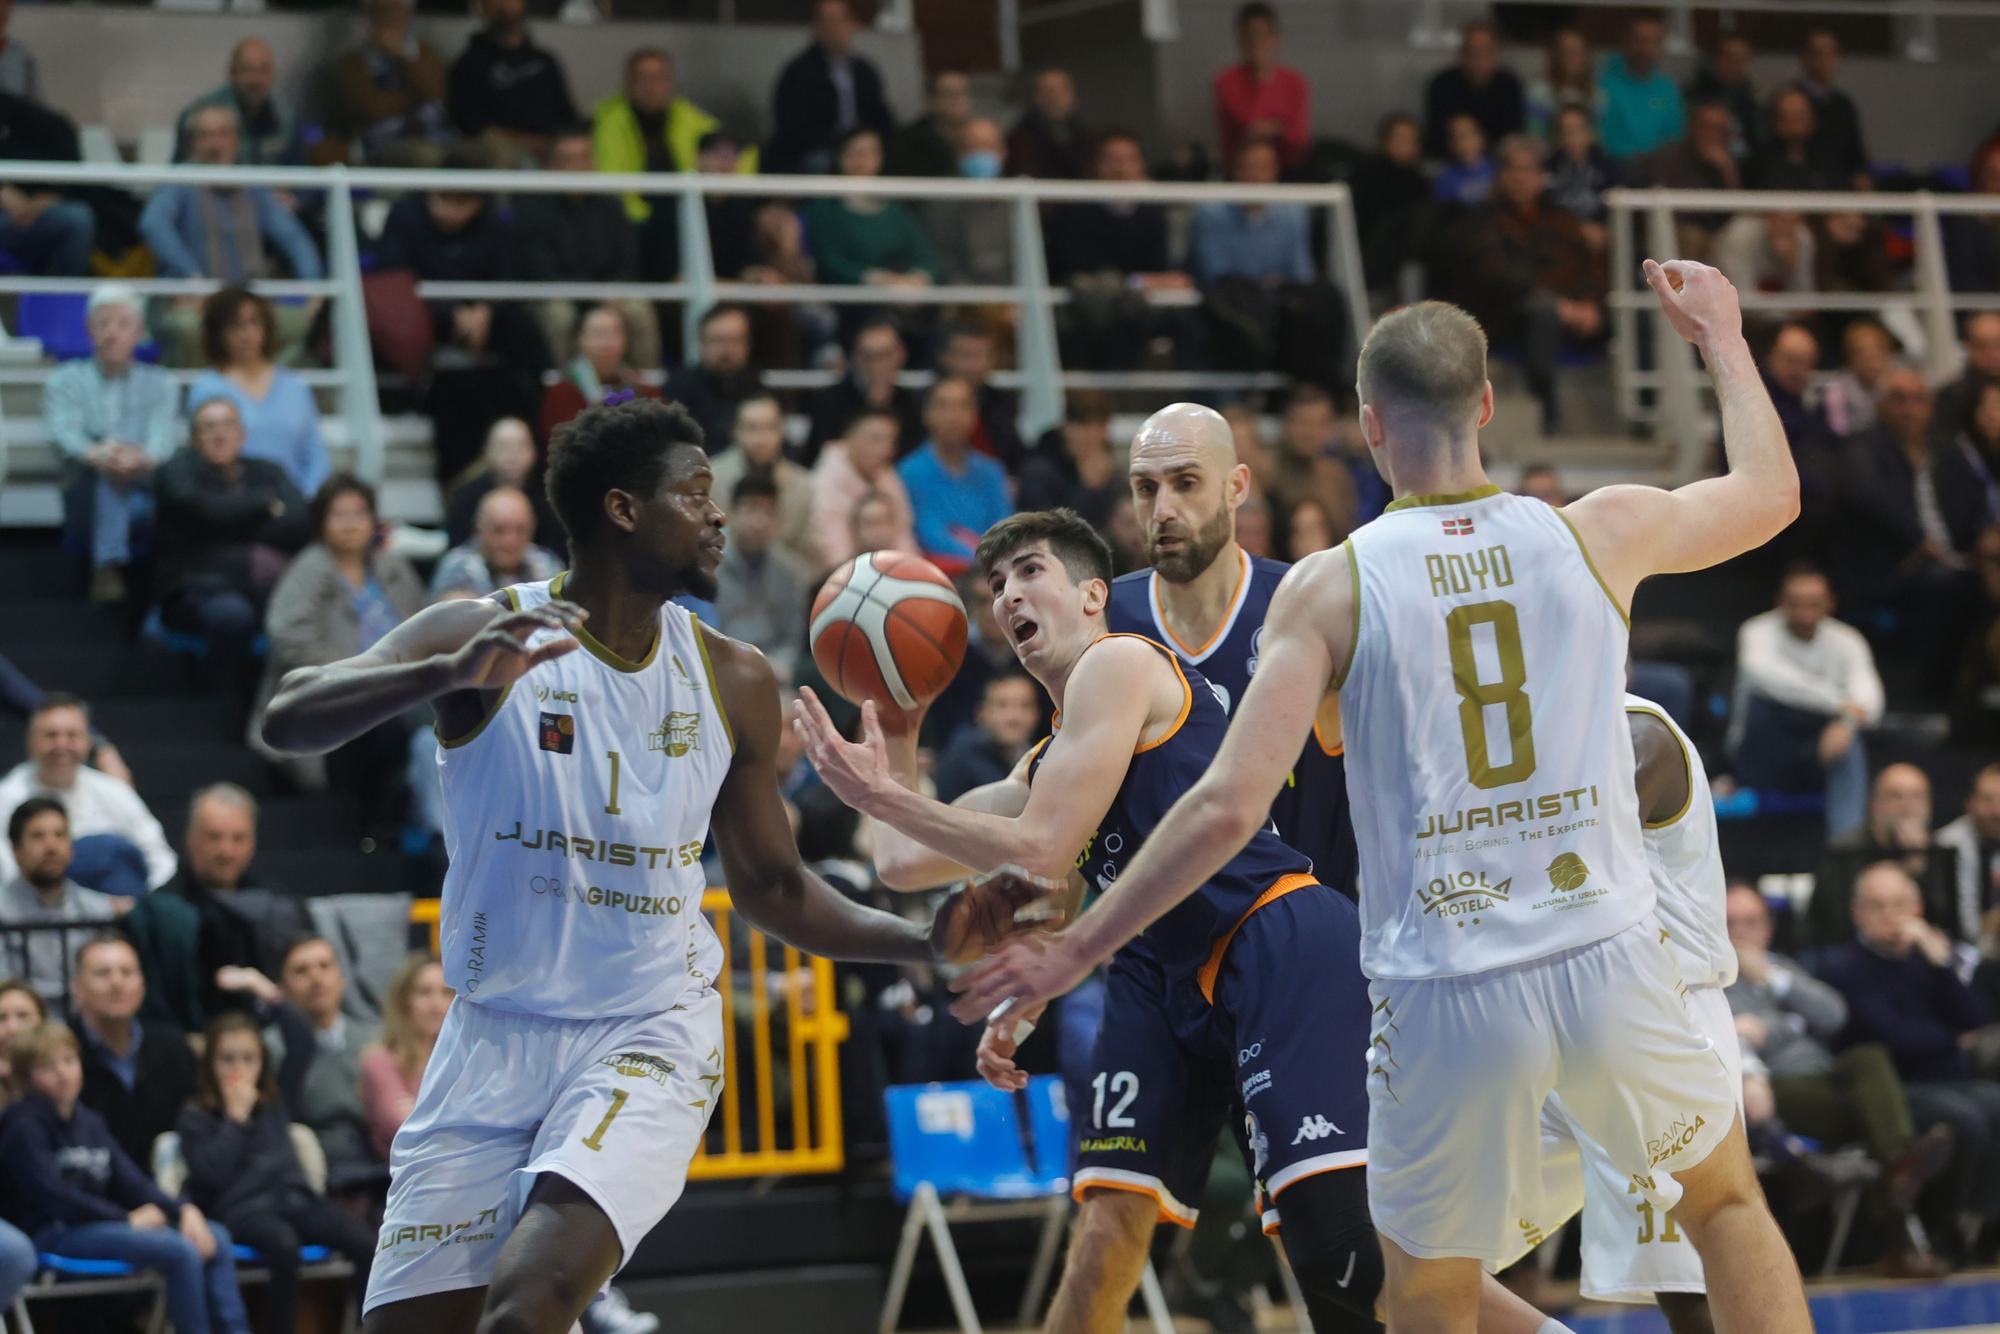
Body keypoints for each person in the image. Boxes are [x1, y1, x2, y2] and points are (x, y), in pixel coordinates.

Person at [953, 269, 1814, 1334]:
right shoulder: (1597, 530)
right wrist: (1721, 337)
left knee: (1421, 1296)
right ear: (1485, 404)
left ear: (1367, 426)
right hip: (1603, 946)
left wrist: (1072, 946)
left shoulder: (1330, 584)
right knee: (1724, 1202)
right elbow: (1771, 494)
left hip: (1447, 983)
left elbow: (1225, 807)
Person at [256, 396, 1035, 1334]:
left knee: (527, 1306)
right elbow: (288, 714)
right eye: (695, 494)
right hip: (489, 1035)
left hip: (647, 1031)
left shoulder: (733, 678)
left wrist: (924, 940)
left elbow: (775, 889)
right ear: (623, 510)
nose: (716, 515)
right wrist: (443, 674)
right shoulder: (486, 633)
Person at [794, 509, 1539, 1332]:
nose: (1008, 595)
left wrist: (880, 796)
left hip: (1275, 938)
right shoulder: (1046, 759)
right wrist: (900, 723)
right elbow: (904, 862)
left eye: (1030, 572)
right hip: (1168, 981)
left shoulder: (1120, 663)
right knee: (1106, 1233)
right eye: (995, 584)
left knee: (1341, 1250)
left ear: (1091, 595)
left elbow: (1041, 845)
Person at [1723, 881, 1955, 1272]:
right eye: (1730, 923)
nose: (1741, 933)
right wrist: (1790, 1024)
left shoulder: (1782, 969)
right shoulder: (1712, 980)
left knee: (1868, 1057)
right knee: (1882, 1116)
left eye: (1751, 922)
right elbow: (1732, 1037)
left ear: (1768, 927)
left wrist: (1774, 982)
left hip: (1827, 1082)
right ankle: (1900, 1176)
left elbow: (1834, 1014)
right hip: (1773, 1091)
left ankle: (1898, 1170)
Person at [0, 1019, 251, 1334]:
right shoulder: (22, 1125)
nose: (63, 1072)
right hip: (56, 1233)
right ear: (27, 1078)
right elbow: (54, 1196)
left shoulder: (89, 1121)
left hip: (103, 1225)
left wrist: (182, 1210)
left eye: (68, 1060)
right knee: (179, 1250)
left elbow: (131, 1180)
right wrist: (125, 1219)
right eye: (48, 1066)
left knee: (214, 1237)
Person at [1819, 863, 2000, 1256]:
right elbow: (1890, 1038)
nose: (1891, 916)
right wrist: (1952, 1039)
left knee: (1994, 1105)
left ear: (1917, 907)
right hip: (1896, 1089)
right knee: (1966, 1122)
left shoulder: (1926, 961)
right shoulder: (1844, 969)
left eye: (1900, 904)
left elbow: (1974, 1018)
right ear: (1858, 914)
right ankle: (1943, 1226)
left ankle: (1986, 1224)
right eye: (1878, 906)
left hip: (1952, 1079)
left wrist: (1940, 963)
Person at [178, 1011, 376, 1333]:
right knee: (284, 1246)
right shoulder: (195, 1115)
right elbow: (211, 1173)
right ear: (210, 1064)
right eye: (227, 1059)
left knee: (363, 1240)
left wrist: (266, 995)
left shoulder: (274, 1100)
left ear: (262, 1062)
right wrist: (236, 1120)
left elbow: (301, 1040)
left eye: (248, 1058)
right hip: (242, 1210)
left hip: (294, 1200)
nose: (239, 1069)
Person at [258, 475, 426, 816]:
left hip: (406, 687)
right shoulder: (309, 568)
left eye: (359, 513)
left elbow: (428, 624)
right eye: (339, 514)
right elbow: (289, 637)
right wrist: (356, 676)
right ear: (322, 521)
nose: (351, 523)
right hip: (337, 696)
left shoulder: (392, 566)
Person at [1447, 135, 1606, 434]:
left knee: (1631, 304)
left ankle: (1646, 414)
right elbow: (1496, 274)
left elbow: (1586, 268)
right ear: (1501, 176)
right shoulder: (1481, 219)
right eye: (1514, 170)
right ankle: (1547, 407)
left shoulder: (1561, 218)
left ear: (1541, 176)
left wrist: (1588, 303)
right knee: (1542, 312)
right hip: (1501, 314)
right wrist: (1559, 304)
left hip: (1566, 310)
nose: (1521, 178)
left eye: (1529, 170)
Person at [122, 785, 311, 1035]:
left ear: (252, 843)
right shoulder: (156, 914)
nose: (226, 851)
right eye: (214, 837)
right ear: (190, 839)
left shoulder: (277, 904)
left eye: (238, 838)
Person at [154, 395, 313, 694]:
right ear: (193, 437)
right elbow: (204, 511)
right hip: (199, 588)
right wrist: (264, 507)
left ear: (242, 434)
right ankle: (214, 695)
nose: (219, 434)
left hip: (265, 587)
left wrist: (231, 522)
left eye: (228, 425)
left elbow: (299, 522)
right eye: (209, 427)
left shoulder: (268, 470)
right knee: (232, 616)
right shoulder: (176, 472)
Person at [46, 284, 181, 605]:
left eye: (123, 324)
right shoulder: (64, 379)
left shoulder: (162, 382)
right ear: (88, 330)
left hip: (145, 484)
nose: (112, 333)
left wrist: (138, 458)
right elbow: (63, 436)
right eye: (103, 323)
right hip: (85, 488)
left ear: (139, 332)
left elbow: (163, 442)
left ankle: (108, 568)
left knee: (131, 475)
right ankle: (109, 565)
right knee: (108, 475)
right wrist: (98, 453)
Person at [1729, 565, 1880, 837]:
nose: (1804, 614)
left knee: (1849, 742)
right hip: (1762, 747)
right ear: (1780, 603)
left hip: (1818, 748)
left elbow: (1871, 701)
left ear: (1830, 604)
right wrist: (1840, 705)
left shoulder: (1847, 640)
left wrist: (1846, 722)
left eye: (1813, 604)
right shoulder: (1756, 631)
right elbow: (1767, 677)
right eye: (1795, 604)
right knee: (1763, 702)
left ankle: (1845, 847)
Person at [374, 160, 551, 383]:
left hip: (483, 315)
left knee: (523, 328)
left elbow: (510, 273)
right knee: (400, 328)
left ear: (478, 202)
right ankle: (402, 403)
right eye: (444, 198)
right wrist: (449, 312)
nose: (452, 209)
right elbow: (393, 277)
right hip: (423, 310)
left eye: (462, 201)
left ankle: (540, 395)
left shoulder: (494, 223)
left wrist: (486, 309)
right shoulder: (405, 216)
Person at [0, 694, 175, 894]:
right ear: (30, 742)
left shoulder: (114, 791)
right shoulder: (5, 798)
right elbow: (5, 872)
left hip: (115, 916)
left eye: (72, 735)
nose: (61, 745)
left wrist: (139, 907)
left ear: (88, 742)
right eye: (50, 735)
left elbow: (160, 858)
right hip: (31, 915)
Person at [514, 129, 656, 373]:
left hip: (606, 292)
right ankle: (564, 394)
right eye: (566, 159)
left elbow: (627, 262)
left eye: (583, 158)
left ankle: (647, 392)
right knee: (559, 316)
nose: (576, 166)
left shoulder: (611, 204)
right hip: (557, 294)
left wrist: (614, 287)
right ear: (550, 166)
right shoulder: (532, 205)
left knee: (638, 310)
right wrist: (589, 293)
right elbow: (539, 268)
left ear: (593, 162)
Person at [67, 934, 198, 1169]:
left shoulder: (172, 1046)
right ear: (77, 988)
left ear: (142, 985)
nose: (117, 983)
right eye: (102, 973)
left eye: (127, 972)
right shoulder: (63, 1052)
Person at [188, 285, 331, 497]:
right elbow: (201, 457)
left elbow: (315, 453)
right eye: (235, 326)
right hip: (230, 507)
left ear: (267, 327)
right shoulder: (206, 387)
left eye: (254, 322)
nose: (246, 335)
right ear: (218, 332)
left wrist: (305, 502)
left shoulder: (293, 385)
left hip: (293, 506)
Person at [592, 46, 754, 225]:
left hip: (685, 214)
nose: (651, 87)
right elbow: (613, 192)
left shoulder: (687, 118)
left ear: (670, 83)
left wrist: (718, 172)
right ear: (628, 84)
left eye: (658, 78)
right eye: (643, 79)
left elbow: (742, 152)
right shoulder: (609, 123)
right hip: (632, 221)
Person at [275, 935, 382, 1192]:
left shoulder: (378, 1039)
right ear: (282, 989)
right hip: (312, 1178)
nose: (316, 978)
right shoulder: (270, 1048)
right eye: (301, 970)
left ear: (342, 978)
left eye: (325, 966)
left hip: (382, 1168)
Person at [1815, 764, 1964, 946]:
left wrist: (1919, 866)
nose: (1907, 807)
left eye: (1916, 797)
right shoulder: (1845, 850)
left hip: (1920, 949)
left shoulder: (1939, 851)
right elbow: (1835, 919)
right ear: (1873, 804)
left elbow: (1947, 921)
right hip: (1851, 951)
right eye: (1895, 796)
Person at [2, 797, 127, 1007]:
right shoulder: (2, 909)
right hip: (22, 1026)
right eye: (38, 837)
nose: (51, 846)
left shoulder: (97, 908)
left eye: (60, 835)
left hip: (87, 1021)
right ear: (16, 850)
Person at [896, 378, 1011, 576]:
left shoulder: (992, 471)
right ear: (926, 414)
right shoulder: (909, 472)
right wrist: (981, 560)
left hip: (992, 574)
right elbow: (928, 533)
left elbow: (1006, 527)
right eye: (944, 406)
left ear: (975, 415)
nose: (953, 416)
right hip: (936, 576)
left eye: (963, 406)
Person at [799, 128, 937, 290]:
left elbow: (925, 258)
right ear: (840, 157)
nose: (864, 161)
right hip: (852, 300)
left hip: (905, 296)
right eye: (857, 152)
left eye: (873, 152)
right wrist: (877, 280)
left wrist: (917, 279)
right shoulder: (823, 210)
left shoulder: (895, 209)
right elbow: (829, 263)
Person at [767, 0, 894, 175]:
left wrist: (871, 141)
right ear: (815, 28)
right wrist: (840, 143)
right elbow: (792, 125)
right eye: (828, 21)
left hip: (863, 144)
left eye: (841, 20)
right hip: (820, 148)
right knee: (820, 162)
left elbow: (880, 115)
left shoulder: (865, 71)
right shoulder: (798, 71)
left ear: (852, 25)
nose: (836, 28)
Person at [713, 472, 812, 683]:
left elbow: (792, 639)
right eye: (750, 509)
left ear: (779, 518)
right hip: (718, 671)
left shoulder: (790, 572)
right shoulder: (709, 564)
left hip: (772, 674)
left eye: (768, 512)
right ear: (731, 513)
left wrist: (777, 665)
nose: (758, 522)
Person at [446, 0, 576, 160]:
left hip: (551, 150)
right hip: (503, 154)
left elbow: (567, 115)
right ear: (483, 8)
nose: (504, 5)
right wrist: (527, 143)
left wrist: (555, 144)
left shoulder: (544, 60)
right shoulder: (469, 64)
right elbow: (471, 125)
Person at [326, 0, 450, 167]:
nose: (388, 19)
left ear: (408, 14)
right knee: (426, 154)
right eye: (381, 11)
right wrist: (413, 104)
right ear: (369, 16)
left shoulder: (426, 54)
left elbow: (439, 96)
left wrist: (404, 57)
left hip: (436, 135)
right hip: (382, 143)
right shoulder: (352, 63)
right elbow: (373, 110)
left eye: (395, 10)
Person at [358, 954, 451, 1162]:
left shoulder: (463, 1060)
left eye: (446, 993)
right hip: (402, 1178)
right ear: (404, 1001)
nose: (436, 1003)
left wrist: (421, 1110)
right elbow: (404, 1129)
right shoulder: (379, 1061)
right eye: (424, 992)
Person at [709, 394, 818, 571]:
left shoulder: (803, 484)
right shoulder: (710, 477)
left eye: (769, 428)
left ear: (782, 430)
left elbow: (810, 556)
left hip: (784, 585)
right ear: (735, 431)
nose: (760, 439)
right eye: (751, 428)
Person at [1190, 136, 1314, 288]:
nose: (1256, 176)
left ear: (1276, 171)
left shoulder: (1293, 213)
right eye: (1248, 167)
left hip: (1281, 300)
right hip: (1228, 301)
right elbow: (1214, 273)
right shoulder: (1210, 213)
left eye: (1264, 167)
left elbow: (1301, 272)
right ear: (1235, 171)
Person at [804, 318, 923, 464]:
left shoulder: (912, 404)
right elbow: (819, 458)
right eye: (869, 356)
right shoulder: (828, 402)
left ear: (901, 355)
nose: (878, 364)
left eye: (886, 354)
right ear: (855, 358)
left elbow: (915, 457)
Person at [538, 304, 661, 443]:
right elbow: (558, 443)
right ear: (579, 339)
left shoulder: (643, 389)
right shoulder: (562, 391)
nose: (606, 341)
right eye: (597, 333)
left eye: (613, 332)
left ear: (625, 340)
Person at [811, 408, 917, 569]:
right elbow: (835, 556)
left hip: (891, 573)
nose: (886, 450)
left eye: (891, 441)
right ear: (849, 439)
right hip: (843, 579)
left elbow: (904, 536)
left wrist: (911, 574)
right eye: (875, 440)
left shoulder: (888, 476)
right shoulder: (823, 484)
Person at [1212, 3, 1309, 171]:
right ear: (1240, 39)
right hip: (1240, 171)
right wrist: (1276, 127)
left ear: (1275, 38)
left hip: (1289, 171)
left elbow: (1298, 138)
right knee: (1257, 157)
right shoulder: (1226, 82)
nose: (1256, 43)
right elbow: (1248, 126)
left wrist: (1269, 130)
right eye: (1250, 36)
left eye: (1262, 35)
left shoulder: (1295, 83)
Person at [174, 37, 297, 167]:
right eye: (248, 70)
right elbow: (179, 173)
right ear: (232, 72)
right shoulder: (200, 114)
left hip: (265, 187)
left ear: (273, 73)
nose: (256, 79)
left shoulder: (286, 119)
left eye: (263, 70)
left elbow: (302, 175)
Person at [443, 417, 562, 549]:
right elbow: (456, 550)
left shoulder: (550, 500)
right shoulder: (465, 498)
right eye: (503, 447)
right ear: (487, 451)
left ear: (534, 452)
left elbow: (559, 555)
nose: (512, 455)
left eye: (520, 446)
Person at [430, 487, 564, 601]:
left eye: (520, 530)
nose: (510, 541)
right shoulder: (458, 567)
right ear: (478, 529)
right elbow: (458, 621)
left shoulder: (546, 564)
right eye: (499, 530)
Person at [665, 304, 765, 454]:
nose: (726, 350)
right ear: (701, 343)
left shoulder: (759, 389)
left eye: (735, 340)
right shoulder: (678, 388)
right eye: (717, 340)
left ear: (748, 344)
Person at [931, 671, 1040, 802]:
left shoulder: (1043, 759)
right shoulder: (957, 762)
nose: (1014, 717)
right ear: (981, 713)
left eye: (1025, 706)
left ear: (1037, 714)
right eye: (1002, 705)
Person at [1423, 20, 1525, 160]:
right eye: (1472, 51)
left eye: (1485, 51)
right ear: (1462, 53)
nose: (1478, 58)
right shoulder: (1441, 84)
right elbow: (1435, 137)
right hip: (1451, 161)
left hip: (1498, 162)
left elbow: (1514, 134)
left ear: (1497, 53)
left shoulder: (1509, 84)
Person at [936, 322, 1023, 470]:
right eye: (966, 356)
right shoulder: (924, 401)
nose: (974, 366)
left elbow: (1015, 455)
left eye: (980, 356)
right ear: (946, 357)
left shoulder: (1001, 402)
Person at [1598, 15, 1686, 162]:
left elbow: (1675, 137)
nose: (1647, 49)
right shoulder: (1604, 84)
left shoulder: (1667, 89)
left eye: (1654, 42)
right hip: (1614, 168)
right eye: (1640, 41)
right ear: (1626, 41)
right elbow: (1601, 137)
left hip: (1659, 170)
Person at [1791, 28, 1870, 190]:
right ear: (1804, 57)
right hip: (1801, 183)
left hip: (1839, 183)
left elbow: (1855, 151)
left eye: (1831, 53)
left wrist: (1860, 174)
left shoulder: (1843, 104)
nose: (1825, 60)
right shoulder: (1791, 101)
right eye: (1818, 53)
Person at [1941, 764, 2000, 945]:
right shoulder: (1947, 844)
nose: (1997, 811)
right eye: (1987, 800)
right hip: (1959, 948)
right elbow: (1964, 924)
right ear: (1969, 803)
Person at [1005, 67, 1091, 180]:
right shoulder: (1020, 138)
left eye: (1060, 90)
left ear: (1072, 95)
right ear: (1036, 97)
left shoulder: (1086, 137)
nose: (1054, 97)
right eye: (1046, 91)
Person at [1748, 88, 1839, 192]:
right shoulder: (1761, 161)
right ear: (1775, 121)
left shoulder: (1827, 156)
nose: (1796, 124)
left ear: (1813, 119)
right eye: (1788, 116)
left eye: (1801, 115)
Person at [887, 68, 972, 179]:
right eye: (949, 93)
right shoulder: (907, 143)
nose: (958, 100)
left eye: (963, 92)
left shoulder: (982, 134)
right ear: (931, 100)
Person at [1686, 34, 1758, 161]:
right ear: (1717, 59)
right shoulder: (1696, 96)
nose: (1735, 64)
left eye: (1742, 59)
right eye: (1730, 57)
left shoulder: (1750, 101)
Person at [1822, 318, 1897, 439]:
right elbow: (1839, 432)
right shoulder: (1837, 392)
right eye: (1863, 356)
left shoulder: (1896, 387)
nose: (1871, 363)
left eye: (1876, 355)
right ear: (1850, 358)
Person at [1525, 27, 1598, 142]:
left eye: (1578, 52)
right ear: (1556, 55)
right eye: (1567, 51)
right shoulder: (1538, 93)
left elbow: (1598, 139)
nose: (1573, 57)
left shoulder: (1597, 94)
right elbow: (1534, 138)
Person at [1433, 114, 1496, 206]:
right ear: (1451, 144)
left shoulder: (1498, 170)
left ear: (1482, 138)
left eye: (1472, 133)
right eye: (1460, 136)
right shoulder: (1445, 180)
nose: (1467, 141)